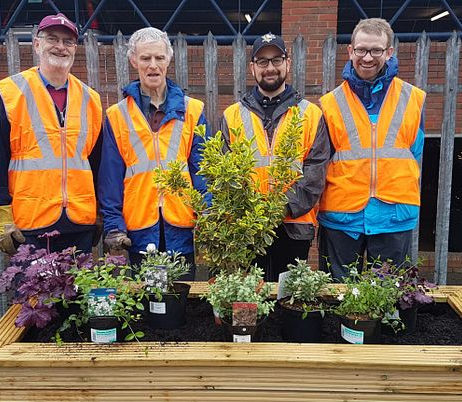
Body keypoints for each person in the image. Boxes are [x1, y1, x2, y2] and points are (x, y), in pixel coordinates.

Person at [0, 13, 103, 255]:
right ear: (37, 44)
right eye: (52, 39)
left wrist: (101, 211)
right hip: (30, 224)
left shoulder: (91, 100)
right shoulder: (10, 93)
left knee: (78, 292)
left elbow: (97, 162)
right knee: (33, 293)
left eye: (68, 42)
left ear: (75, 49)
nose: (60, 47)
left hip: (79, 223)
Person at [318, 18, 426, 279]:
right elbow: (321, 160)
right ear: (350, 51)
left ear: (389, 52)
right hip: (342, 216)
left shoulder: (412, 98)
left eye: (376, 50)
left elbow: (415, 152)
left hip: (394, 215)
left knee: (389, 299)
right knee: (337, 296)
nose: (368, 57)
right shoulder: (330, 103)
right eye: (361, 50)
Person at [98, 27, 209, 280]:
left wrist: (208, 212)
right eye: (146, 58)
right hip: (139, 227)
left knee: (180, 301)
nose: (153, 65)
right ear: (133, 61)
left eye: (159, 58)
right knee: (147, 306)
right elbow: (110, 177)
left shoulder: (192, 110)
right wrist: (114, 224)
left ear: (169, 60)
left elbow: (202, 169)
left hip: (180, 223)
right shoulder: (117, 115)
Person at [220, 33, 329, 282]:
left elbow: (315, 173)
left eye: (276, 60)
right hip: (247, 229)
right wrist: (253, 212)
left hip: (294, 225)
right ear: (253, 67)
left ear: (288, 63)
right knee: (250, 298)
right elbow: (226, 173)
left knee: (289, 300)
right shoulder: (232, 115)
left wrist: (277, 209)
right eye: (262, 61)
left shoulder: (311, 114)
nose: (270, 68)